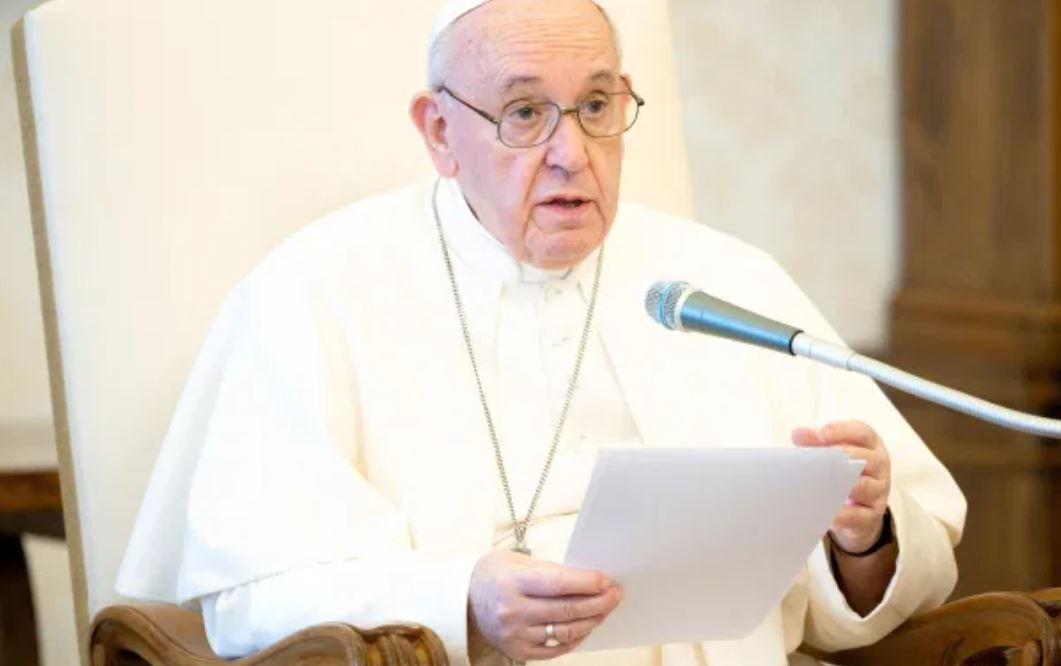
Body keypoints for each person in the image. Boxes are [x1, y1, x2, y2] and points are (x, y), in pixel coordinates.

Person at [116, 1, 966, 664]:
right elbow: (244, 602)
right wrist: (461, 599)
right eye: (524, 113)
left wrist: (866, 535)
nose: (572, 152)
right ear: (440, 132)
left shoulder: (723, 281)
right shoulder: (313, 290)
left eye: (596, 104)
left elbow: (870, 590)